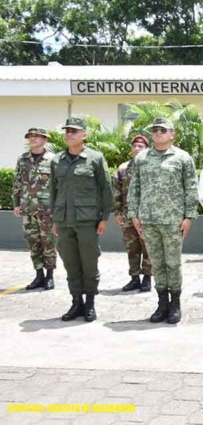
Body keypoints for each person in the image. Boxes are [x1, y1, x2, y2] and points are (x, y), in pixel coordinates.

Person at [128, 117, 198, 324]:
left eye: (162, 129)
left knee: (173, 263)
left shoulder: (183, 158)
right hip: (148, 219)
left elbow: (191, 188)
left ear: (172, 134)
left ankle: (175, 303)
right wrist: (134, 214)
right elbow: (135, 188)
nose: (158, 132)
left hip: (173, 220)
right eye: (155, 130)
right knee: (157, 263)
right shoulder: (141, 158)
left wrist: (189, 216)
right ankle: (162, 303)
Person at [50, 118, 113, 322]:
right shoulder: (56, 160)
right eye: (67, 131)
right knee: (70, 263)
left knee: (89, 263)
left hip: (87, 222)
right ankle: (76, 302)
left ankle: (90, 304)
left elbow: (106, 189)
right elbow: (53, 191)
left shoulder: (95, 158)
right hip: (64, 221)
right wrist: (54, 220)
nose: (69, 134)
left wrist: (104, 218)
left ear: (84, 135)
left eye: (74, 131)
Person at [13, 127, 57, 291]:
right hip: (27, 208)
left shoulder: (53, 160)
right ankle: (38, 275)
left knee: (48, 242)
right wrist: (16, 203)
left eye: (37, 136)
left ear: (45, 140)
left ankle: (50, 276)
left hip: (47, 210)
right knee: (33, 243)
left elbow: (58, 185)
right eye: (30, 136)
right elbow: (17, 182)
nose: (32, 139)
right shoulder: (22, 159)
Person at [113, 135, 152, 292]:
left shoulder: (151, 167)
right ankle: (134, 278)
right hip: (128, 214)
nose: (136, 148)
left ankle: (147, 278)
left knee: (147, 246)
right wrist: (117, 212)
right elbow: (116, 192)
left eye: (140, 146)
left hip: (146, 215)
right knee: (132, 247)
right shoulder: (123, 168)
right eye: (134, 146)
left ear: (146, 149)